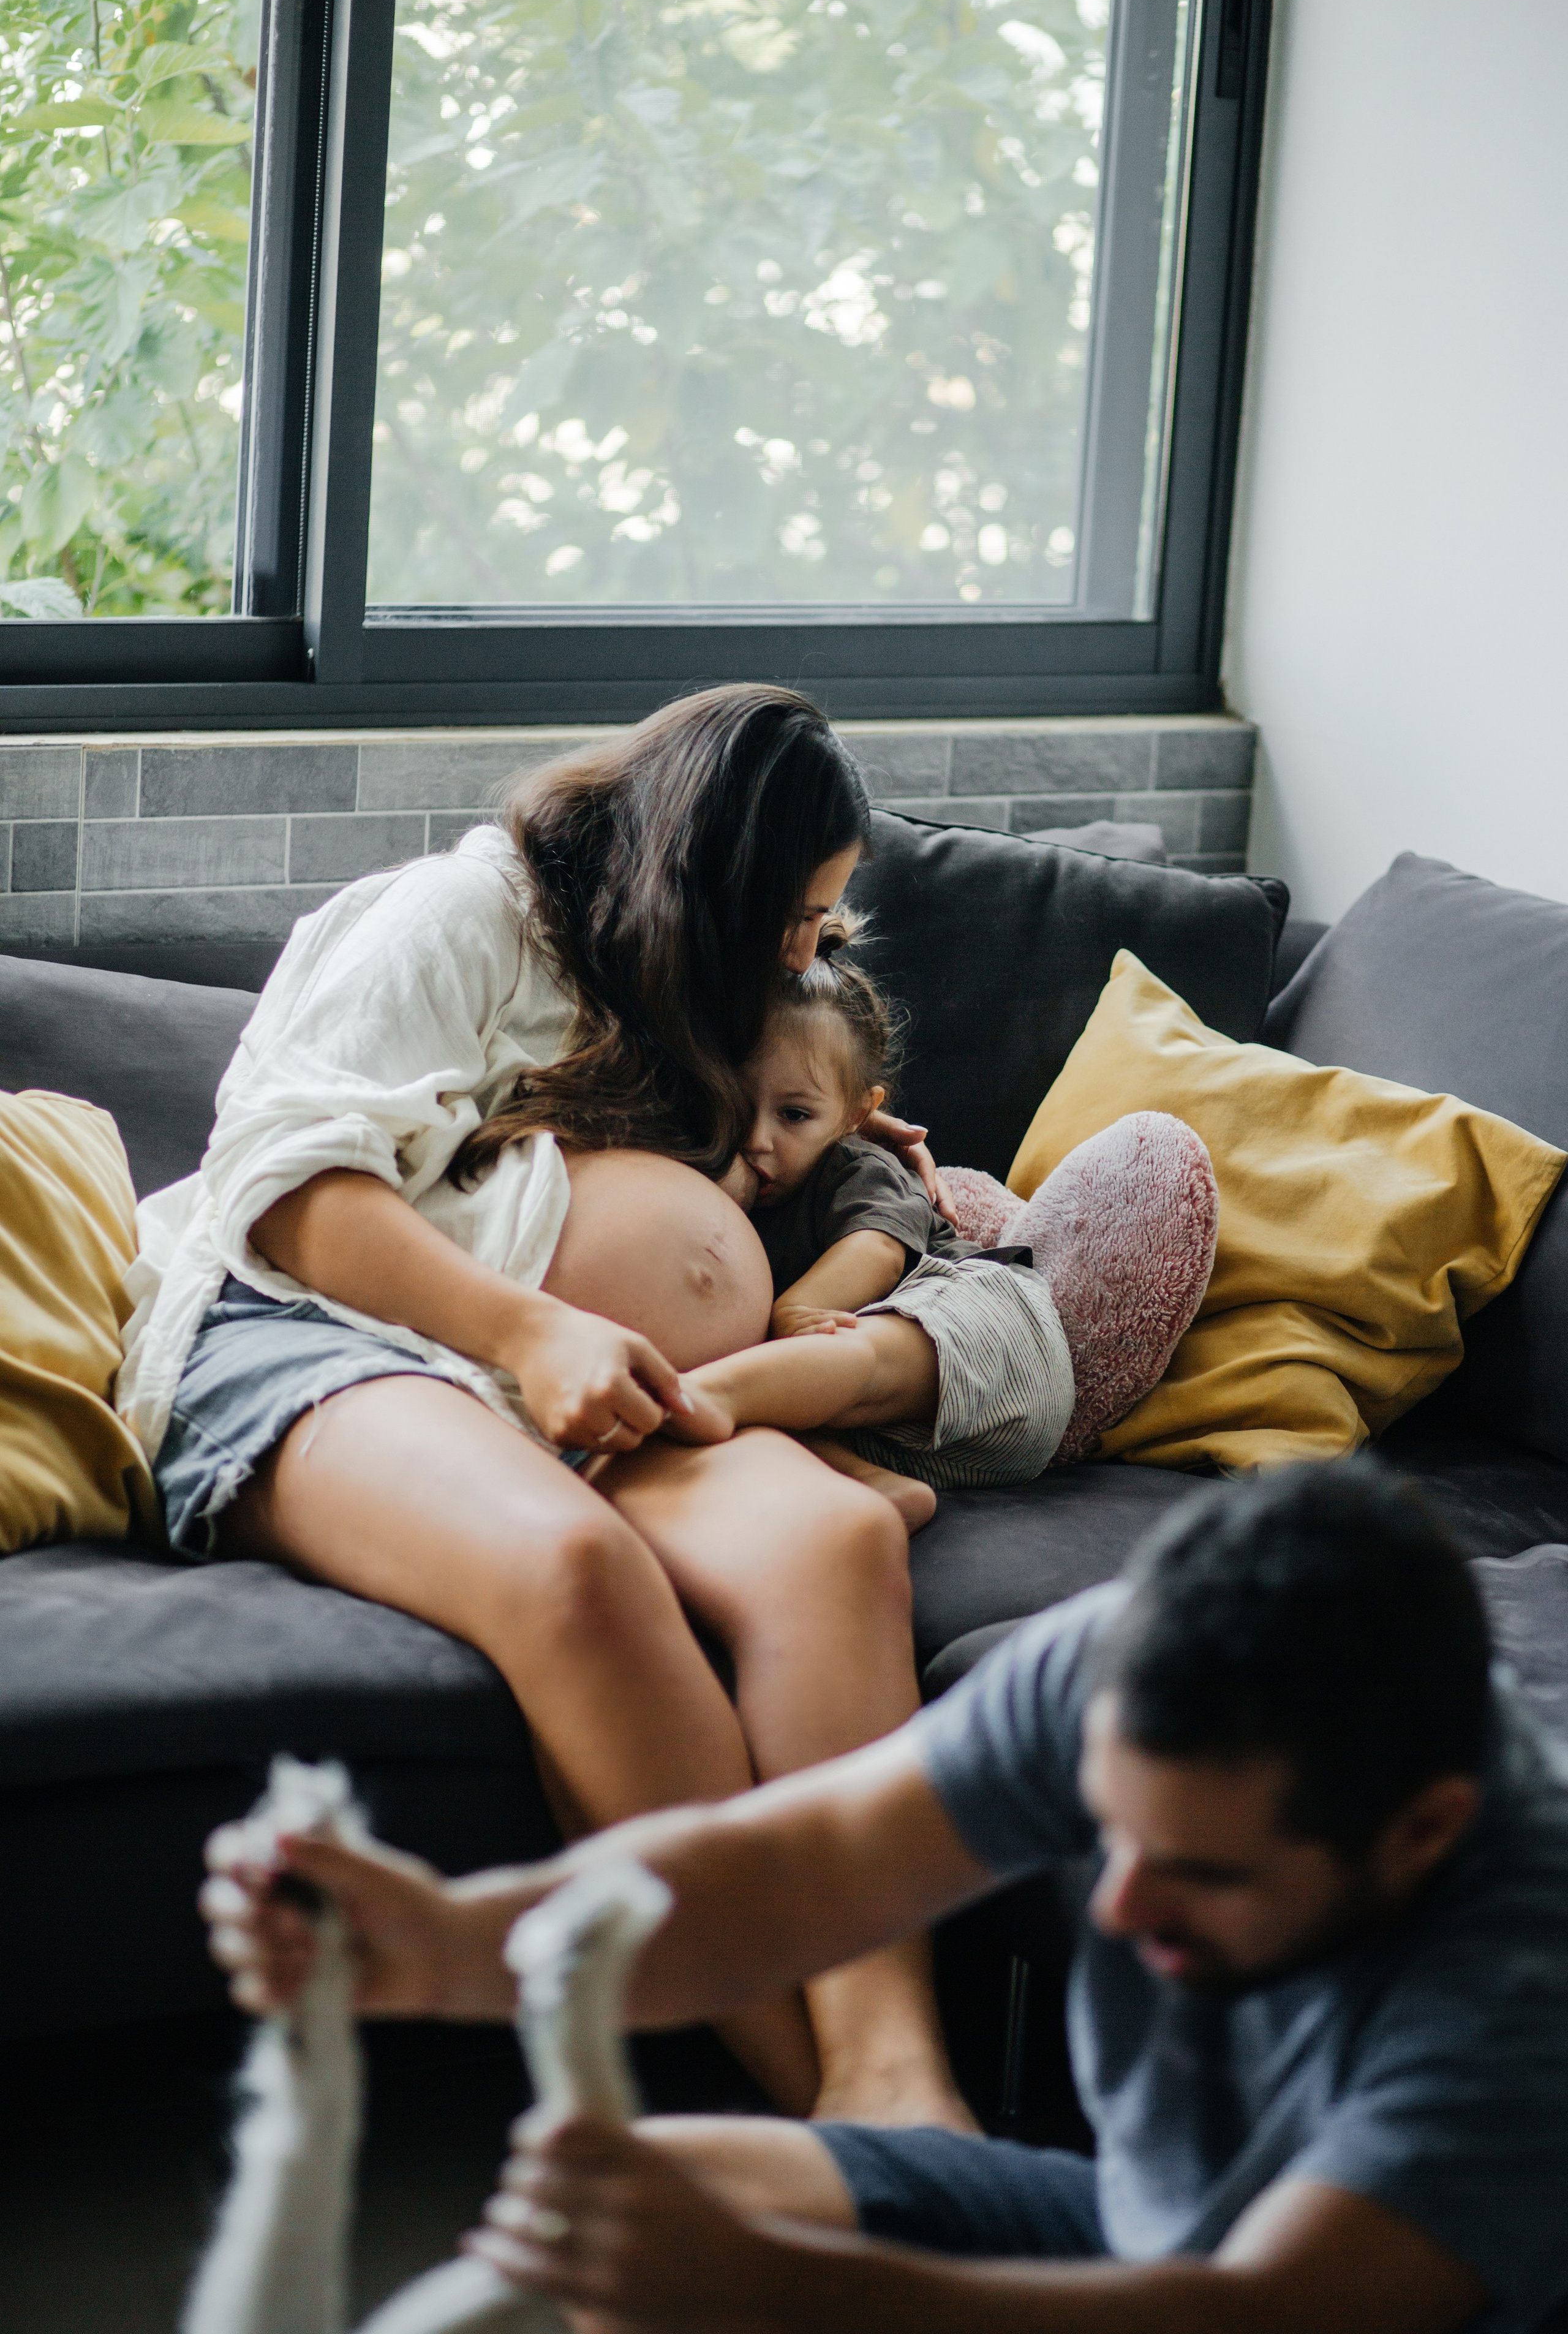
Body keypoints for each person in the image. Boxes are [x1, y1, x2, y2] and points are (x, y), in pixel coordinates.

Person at [121, 682, 974, 2124]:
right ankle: (831, 2131)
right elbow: (286, 1191)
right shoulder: (458, 914)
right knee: (575, 1570)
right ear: (694, 876)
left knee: (833, 1543)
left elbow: (760, 1084)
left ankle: (898, 2077)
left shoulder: (681, 981)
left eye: (822, 923)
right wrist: (532, 1331)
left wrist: (830, 1117)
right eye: (789, 916)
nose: (803, 949)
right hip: (304, 1328)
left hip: (554, 1375)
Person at [203, 1463, 1568, 2334]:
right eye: (1110, 1833)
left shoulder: (1527, 1986)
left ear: (1421, 1833)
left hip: (1296, 2300)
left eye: (1201, 1874)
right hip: (1142, 2227)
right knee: (652, 2206)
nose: (1114, 1905)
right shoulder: (1132, 1672)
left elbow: (1259, 2315)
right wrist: (446, 1945)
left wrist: (785, 2292)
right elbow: (790, 1871)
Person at [669, 922, 1213, 1529]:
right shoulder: (734, 1184)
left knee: (843, 1354)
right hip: (918, 1441)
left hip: (994, 1336)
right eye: (737, 1105)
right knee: (782, 1409)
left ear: (856, 1115)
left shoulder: (859, 1167)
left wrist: (794, 1312)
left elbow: (876, 1252)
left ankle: (697, 1395)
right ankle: (873, 1486)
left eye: (794, 1114)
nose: (757, 1139)